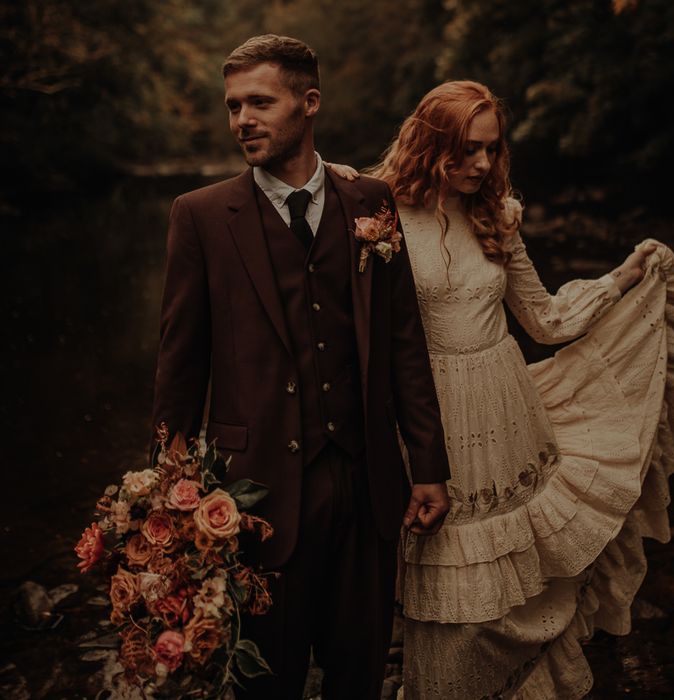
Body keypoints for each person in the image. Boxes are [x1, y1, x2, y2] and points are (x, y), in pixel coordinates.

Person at [332, 79, 674, 698]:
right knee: (443, 594)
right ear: (429, 144)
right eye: (467, 150)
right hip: (427, 422)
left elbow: (544, 319)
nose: (482, 164)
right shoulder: (376, 210)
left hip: (507, 419)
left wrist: (622, 280)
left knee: (513, 593)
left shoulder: (496, 216)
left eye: (492, 149)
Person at [151, 34, 451, 699]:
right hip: (255, 496)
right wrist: (170, 498)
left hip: (367, 483)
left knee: (359, 671)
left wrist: (427, 467)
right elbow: (180, 360)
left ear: (309, 103)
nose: (242, 121)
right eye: (233, 106)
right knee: (266, 681)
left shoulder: (372, 203)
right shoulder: (200, 216)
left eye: (260, 102)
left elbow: (405, 343)